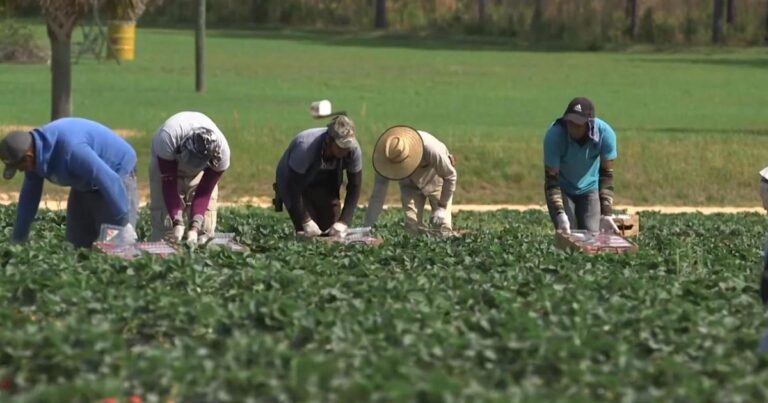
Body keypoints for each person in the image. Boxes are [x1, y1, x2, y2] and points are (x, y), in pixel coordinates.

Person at [0, 118, 138, 248]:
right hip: (85, 181)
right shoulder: (34, 157)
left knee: (117, 245)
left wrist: (123, 223)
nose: (20, 171)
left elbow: (108, 179)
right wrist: (18, 238)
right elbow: (29, 199)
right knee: (76, 243)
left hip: (116, 173)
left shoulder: (72, 150)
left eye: (19, 167)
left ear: (28, 158)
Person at [148, 111, 230, 244]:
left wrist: (195, 227)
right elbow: (169, 182)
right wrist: (177, 221)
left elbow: (205, 190)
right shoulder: (167, 138)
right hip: (167, 163)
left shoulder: (222, 155)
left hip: (201, 171)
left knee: (205, 228)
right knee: (165, 225)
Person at [274, 115, 362, 237]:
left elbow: (355, 186)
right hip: (292, 180)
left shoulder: (353, 150)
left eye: (348, 147)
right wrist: (305, 220)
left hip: (325, 182)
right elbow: (293, 187)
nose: (345, 151)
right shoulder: (305, 147)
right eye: (341, 147)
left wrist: (343, 222)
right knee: (306, 233)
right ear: (329, 141)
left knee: (332, 233)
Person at [543, 97, 620, 235]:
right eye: (570, 122)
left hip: (590, 188)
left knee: (592, 235)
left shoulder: (605, 135)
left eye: (578, 124)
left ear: (589, 123)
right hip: (563, 188)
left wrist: (606, 213)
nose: (573, 127)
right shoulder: (554, 136)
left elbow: (606, 174)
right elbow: (551, 179)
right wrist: (560, 214)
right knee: (569, 235)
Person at [364, 125, 456, 234]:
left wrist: (442, 207)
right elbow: (377, 195)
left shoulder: (430, 148)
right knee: (412, 228)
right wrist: (368, 226)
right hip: (409, 184)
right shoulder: (385, 157)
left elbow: (450, 176)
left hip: (435, 179)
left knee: (443, 228)